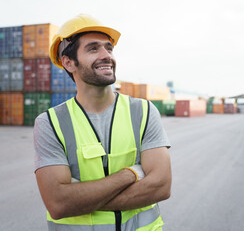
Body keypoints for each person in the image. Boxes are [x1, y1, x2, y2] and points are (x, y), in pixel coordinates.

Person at [33, 14, 172, 231]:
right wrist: (132, 174)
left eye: (109, 48)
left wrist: (79, 200)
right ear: (68, 62)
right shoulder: (50, 123)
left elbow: (161, 186)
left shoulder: (143, 111)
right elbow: (59, 204)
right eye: (93, 49)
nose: (106, 55)